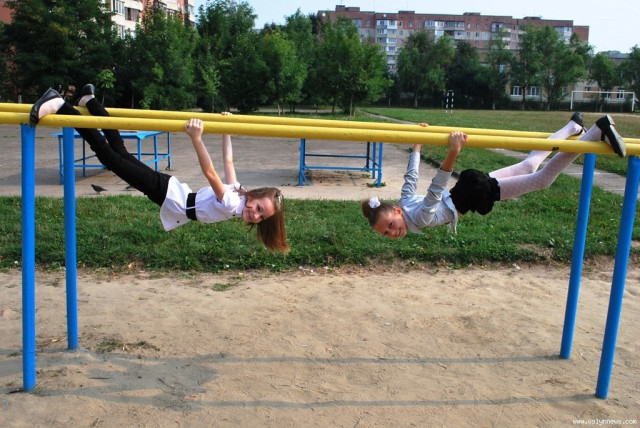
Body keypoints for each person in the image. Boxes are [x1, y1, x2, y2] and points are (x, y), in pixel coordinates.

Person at [30, 86, 289, 252]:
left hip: (170, 192)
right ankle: (61, 105)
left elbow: (228, 162)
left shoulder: (239, 195)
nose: (255, 215)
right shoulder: (233, 202)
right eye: (258, 208)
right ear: (254, 196)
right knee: (110, 157)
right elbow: (211, 173)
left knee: (119, 153)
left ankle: (90, 101)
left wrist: (226, 131)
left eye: (261, 217)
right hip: (170, 195)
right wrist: (196, 138)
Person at [362, 112, 626, 238]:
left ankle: (596, 131)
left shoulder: (418, 217)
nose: (392, 232)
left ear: (397, 211)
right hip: (465, 190)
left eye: (390, 225)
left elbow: (435, 189)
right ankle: (573, 127)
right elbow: (411, 177)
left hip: (475, 194)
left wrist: (453, 151)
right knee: (529, 166)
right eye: (386, 232)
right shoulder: (405, 203)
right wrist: (418, 143)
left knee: (542, 179)